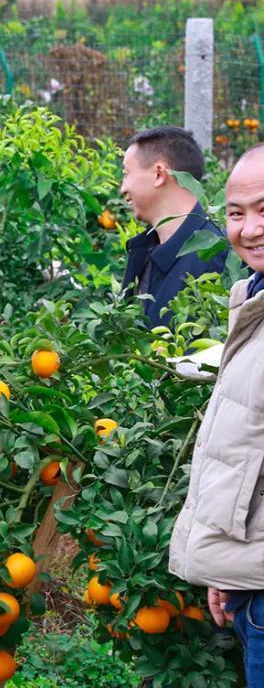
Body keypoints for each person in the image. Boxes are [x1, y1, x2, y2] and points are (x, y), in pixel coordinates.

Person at [168, 143, 264, 687]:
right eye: (236, 213)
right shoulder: (253, 299)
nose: (249, 228)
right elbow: (244, 449)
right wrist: (227, 561)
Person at [119, 126, 228, 327]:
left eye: (126, 174)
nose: (122, 188)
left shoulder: (216, 257)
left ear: (159, 173)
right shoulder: (143, 250)